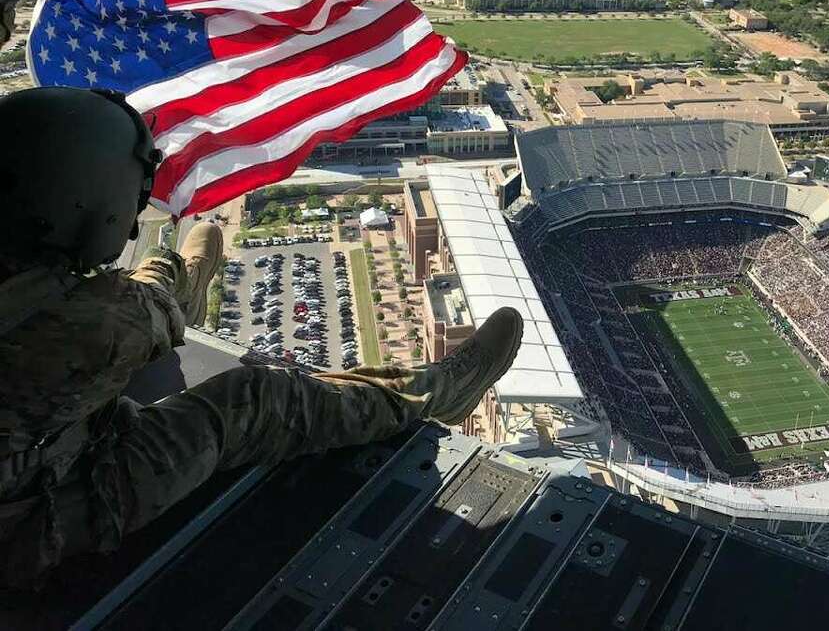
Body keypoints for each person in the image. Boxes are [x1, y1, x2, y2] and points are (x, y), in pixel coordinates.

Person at [0, 76, 522, 587]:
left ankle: (184, 279)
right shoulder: (99, 323)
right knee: (252, 398)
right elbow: (135, 314)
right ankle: (430, 395)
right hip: (28, 519)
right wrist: (160, 280)